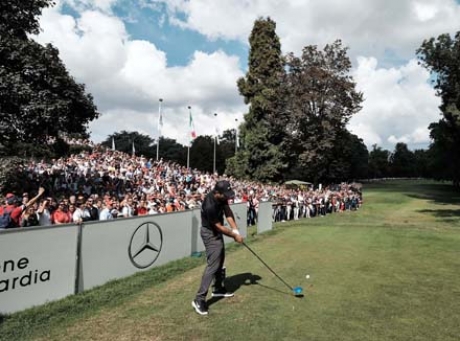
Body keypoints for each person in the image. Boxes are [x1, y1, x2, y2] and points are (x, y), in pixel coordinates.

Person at [192, 180, 244, 316]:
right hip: (210, 233)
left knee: (220, 260)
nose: (228, 197)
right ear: (217, 193)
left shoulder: (222, 197)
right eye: (225, 194)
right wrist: (234, 236)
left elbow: (228, 212)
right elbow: (219, 227)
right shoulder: (209, 205)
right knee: (213, 265)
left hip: (216, 231)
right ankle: (199, 299)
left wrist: (236, 230)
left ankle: (218, 288)